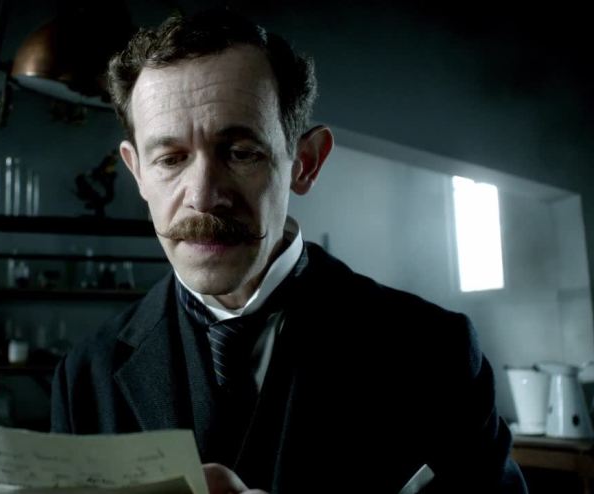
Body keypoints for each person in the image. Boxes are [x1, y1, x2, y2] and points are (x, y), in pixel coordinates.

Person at [51, 9, 526, 493]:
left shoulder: (433, 353)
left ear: (305, 163)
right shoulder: (86, 375)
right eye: (170, 159)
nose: (203, 196)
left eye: (240, 153)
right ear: (137, 172)